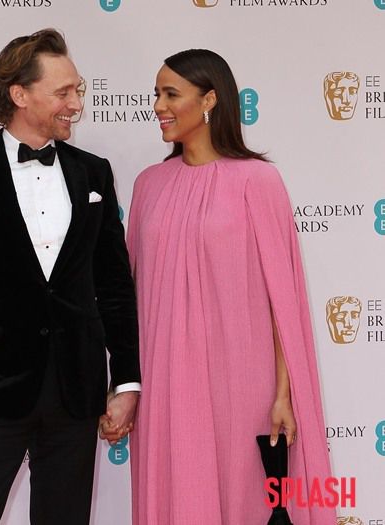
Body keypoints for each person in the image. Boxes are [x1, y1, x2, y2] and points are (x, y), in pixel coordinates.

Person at [0, 28, 140, 525]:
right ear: (19, 94)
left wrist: (126, 380)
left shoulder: (94, 174)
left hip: (76, 393)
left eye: (78, 90)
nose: (76, 104)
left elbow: (115, 288)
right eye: (63, 92)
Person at [126, 49, 336, 524]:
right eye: (156, 93)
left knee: (245, 500)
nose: (158, 106)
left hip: (242, 385)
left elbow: (282, 302)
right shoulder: (148, 185)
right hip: (165, 384)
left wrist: (283, 394)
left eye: (171, 94)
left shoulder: (257, 181)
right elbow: (130, 298)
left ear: (210, 100)